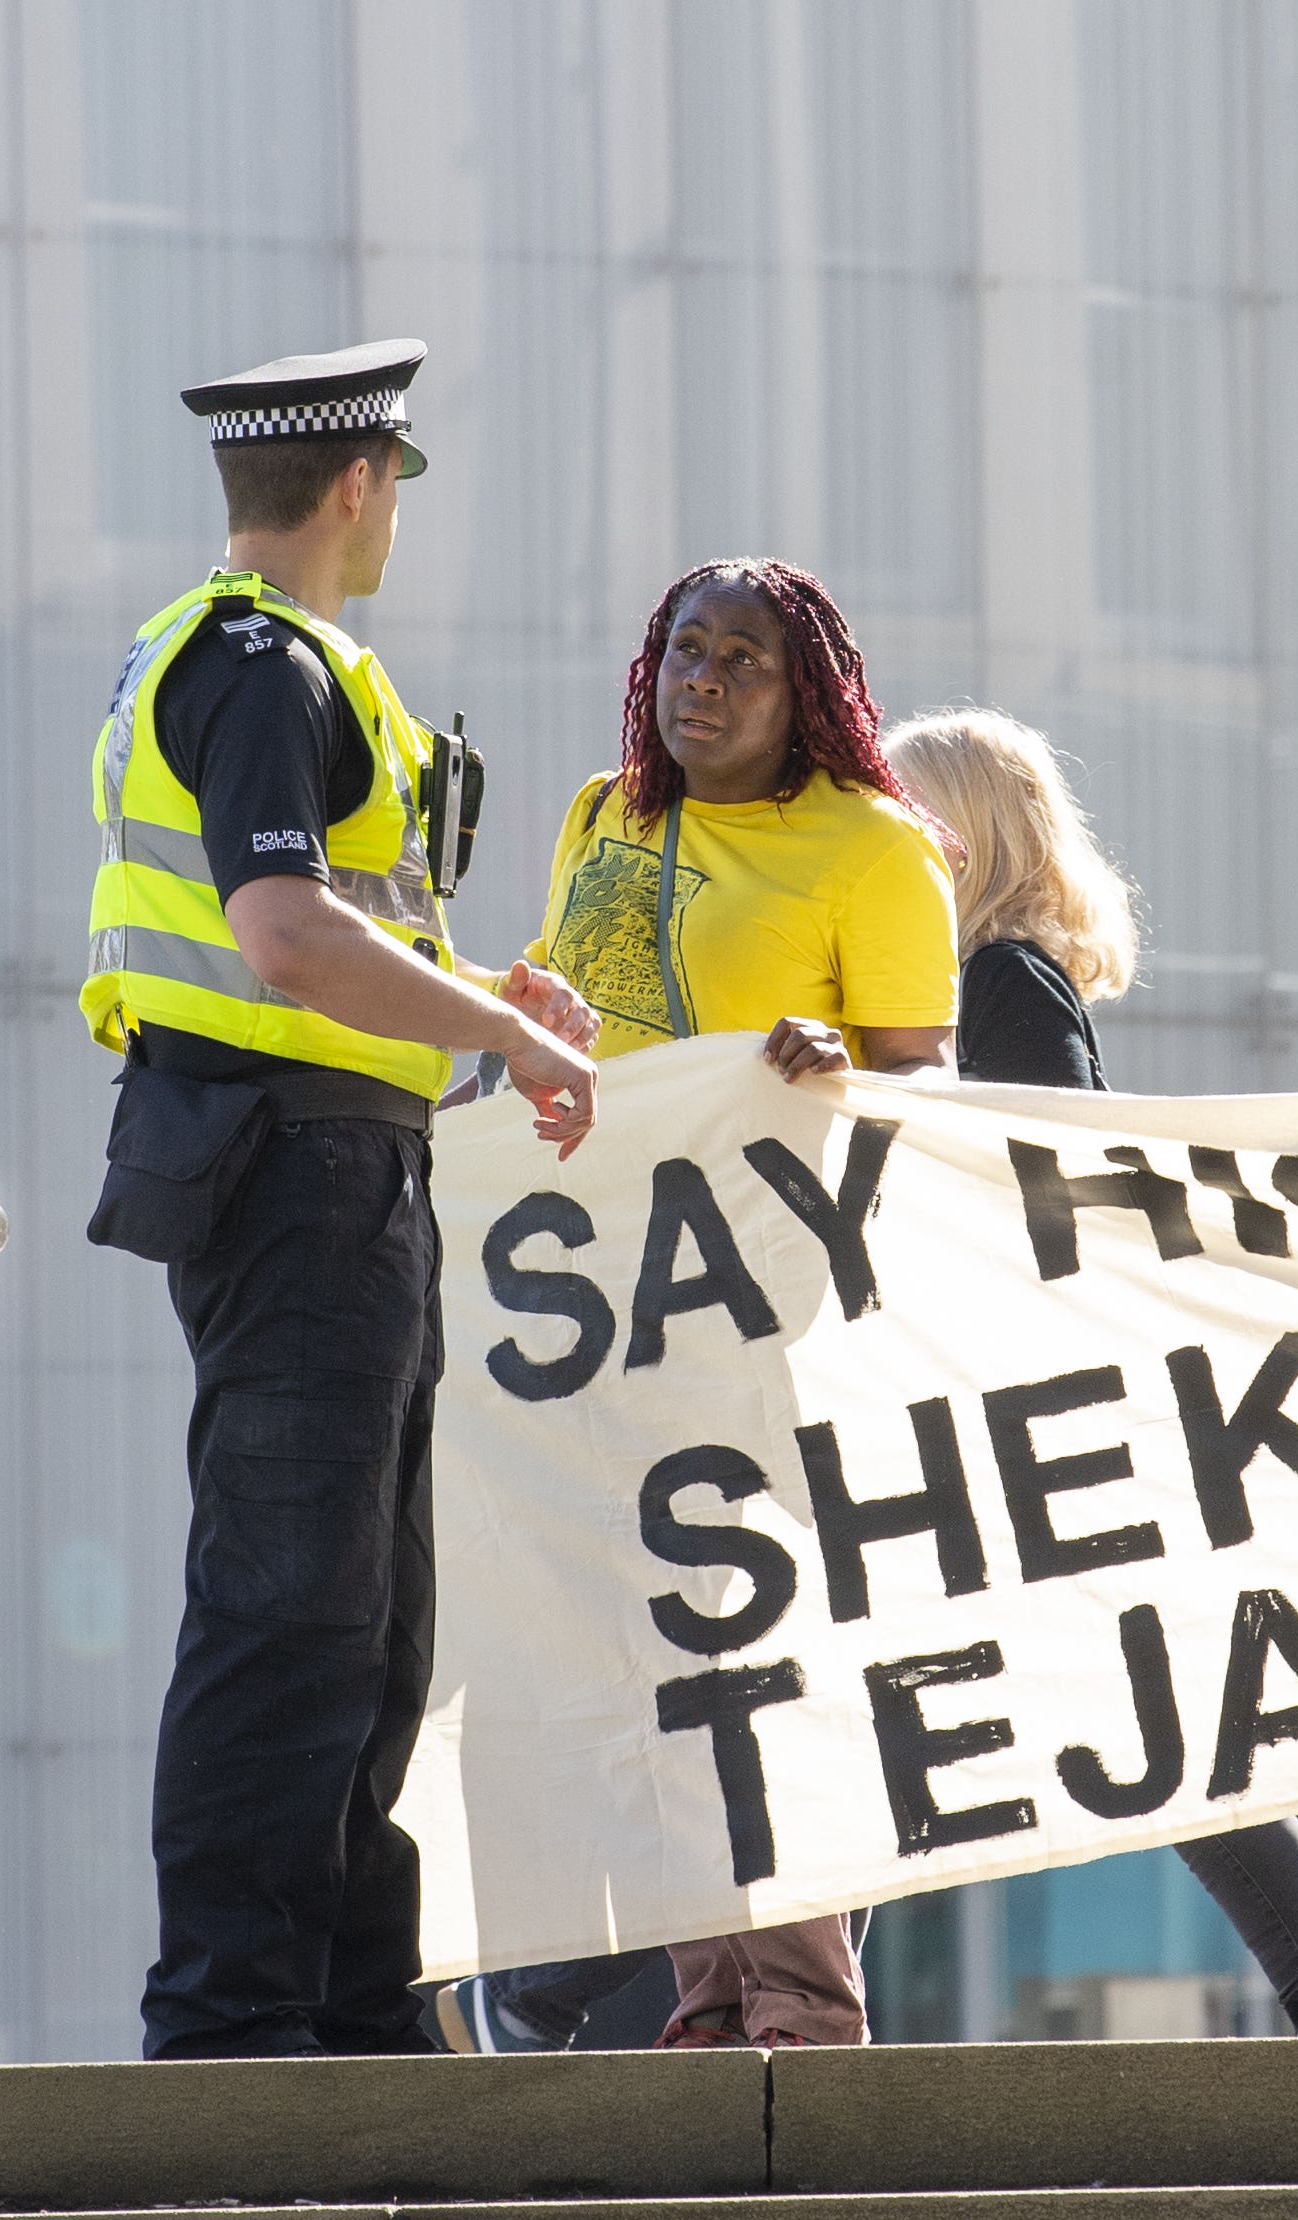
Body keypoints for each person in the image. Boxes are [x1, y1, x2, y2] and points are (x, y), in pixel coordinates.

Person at [82, 340, 601, 2060]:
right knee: (290, 1597)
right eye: (397, 490)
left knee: (373, 1614)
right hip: (293, 1165)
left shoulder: (276, 665)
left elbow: (347, 930)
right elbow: (286, 933)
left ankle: (360, 2003)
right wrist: (512, 1042)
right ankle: (231, 2016)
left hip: (340, 1163)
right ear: (363, 484)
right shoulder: (259, 666)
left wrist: (487, 1001)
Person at [889, 706, 1298, 2036]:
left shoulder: (997, 978)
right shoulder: (953, 985)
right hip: (986, 1410)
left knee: (885, 1701)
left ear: (963, 834)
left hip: (1009, 1415)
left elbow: (1058, 1171)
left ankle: (557, 1997)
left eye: (896, 803)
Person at [525, 556, 962, 2050]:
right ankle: (709, 2000)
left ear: (808, 692)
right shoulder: (605, 812)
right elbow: (556, 1015)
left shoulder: (875, 847)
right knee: (655, 1655)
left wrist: (826, 1046)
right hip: (595, 1296)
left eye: (742, 661)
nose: (701, 680)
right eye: (684, 651)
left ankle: (804, 2005)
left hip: (758, 1297)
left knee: (758, 1654)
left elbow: (930, 1081)